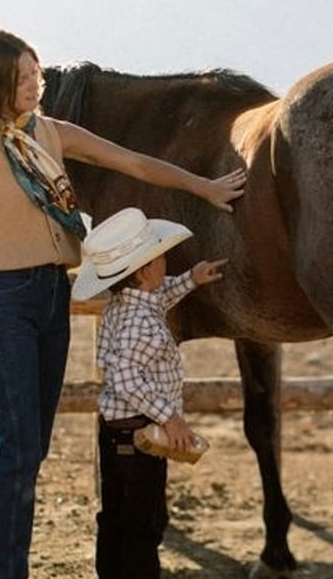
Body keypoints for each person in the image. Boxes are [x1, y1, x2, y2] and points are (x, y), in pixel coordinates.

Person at [0, 27, 245, 579]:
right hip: (3, 301)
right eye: (22, 78)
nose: (34, 85)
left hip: (53, 294)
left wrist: (203, 187)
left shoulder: (49, 132)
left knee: (27, 449)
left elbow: (133, 162)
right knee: (19, 450)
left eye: (36, 74)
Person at [71, 207, 223, 579]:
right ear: (144, 272)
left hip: (116, 431)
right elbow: (126, 378)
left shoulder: (125, 304)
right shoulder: (140, 320)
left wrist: (190, 279)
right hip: (141, 433)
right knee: (144, 523)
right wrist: (170, 418)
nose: (165, 263)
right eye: (160, 258)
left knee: (115, 517)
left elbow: (158, 297)